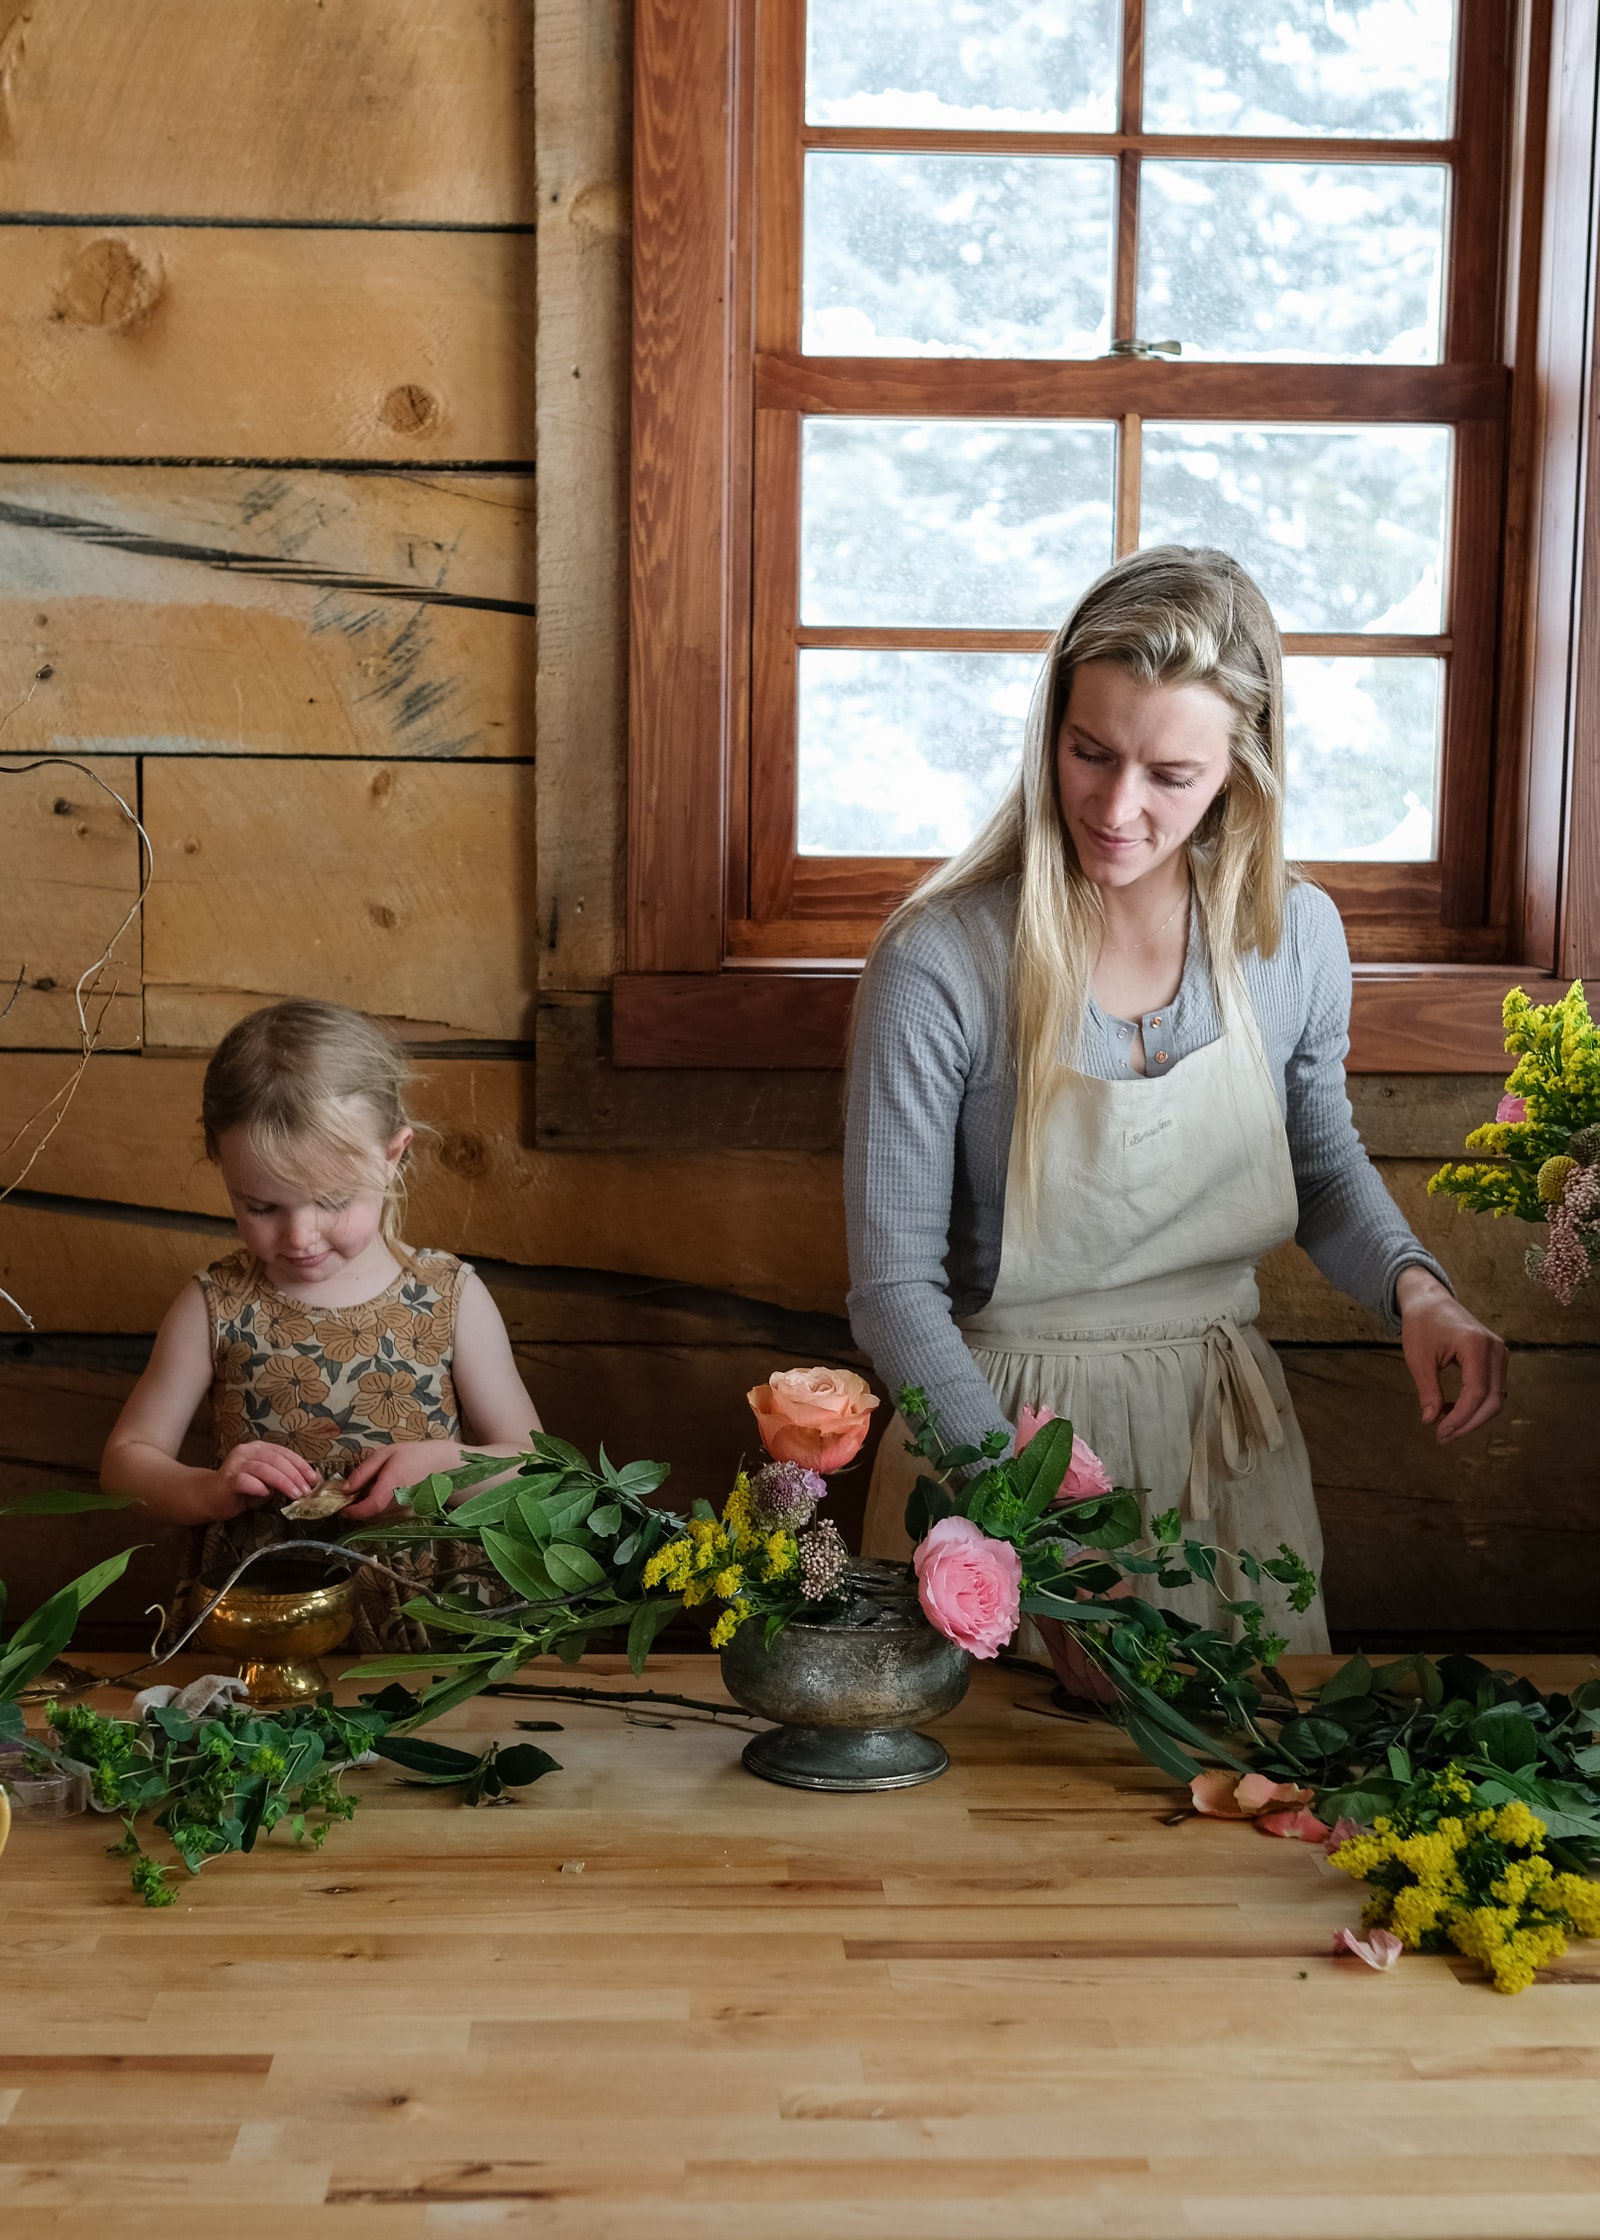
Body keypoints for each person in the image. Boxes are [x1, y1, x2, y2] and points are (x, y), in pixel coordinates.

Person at [847, 547, 1507, 1654]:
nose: (1114, 806)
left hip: (1225, 1434)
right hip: (991, 1439)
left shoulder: (1293, 935)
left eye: (1170, 776)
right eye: (1088, 752)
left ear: (1242, 769)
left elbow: (1318, 1162)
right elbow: (891, 1295)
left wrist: (1415, 1292)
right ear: (1047, 729)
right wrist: (1023, 1524)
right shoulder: (941, 960)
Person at [101, 998, 541, 1649]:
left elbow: (536, 1466)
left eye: (333, 1201)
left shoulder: (449, 1297)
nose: (300, 1235)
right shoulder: (215, 1304)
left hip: (430, 1629)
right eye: (261, 1205)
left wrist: (449, 1469)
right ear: (221, 1165)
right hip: (257, 1620)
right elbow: (125, 1465)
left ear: (393, 1156)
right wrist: (210, 1491)